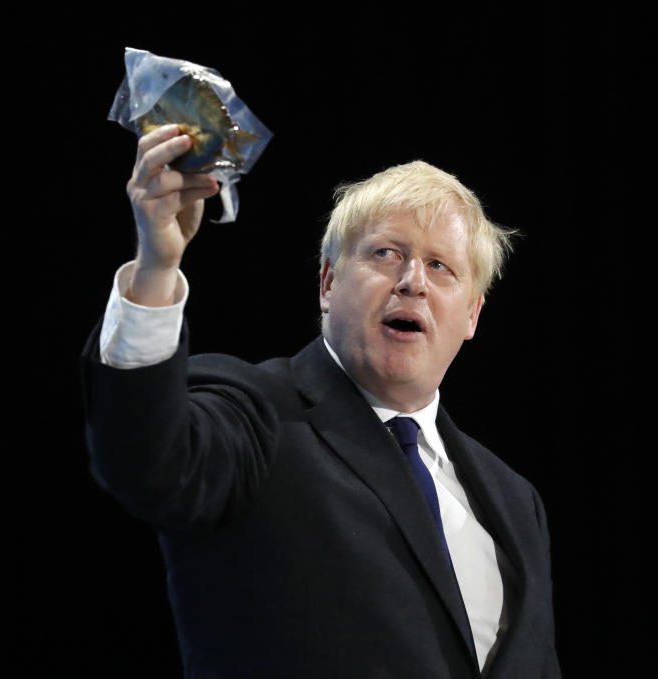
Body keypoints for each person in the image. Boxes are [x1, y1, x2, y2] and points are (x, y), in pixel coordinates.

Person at [81, 124, 561, 678]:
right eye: (386, 253)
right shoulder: (255, 414)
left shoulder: (514, 500)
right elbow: (145, 461)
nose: (412, 282)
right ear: (328, 282)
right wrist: (155, 268)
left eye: (440, 266)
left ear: (472, 314)